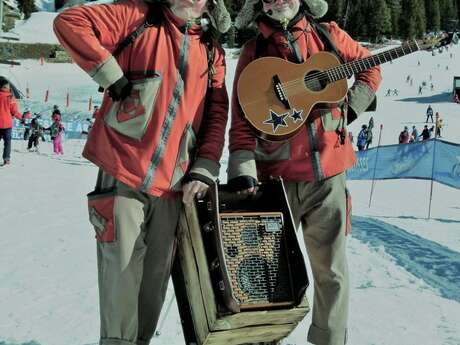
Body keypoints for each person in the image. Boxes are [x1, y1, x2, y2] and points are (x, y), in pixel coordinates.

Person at [54, 0, 230, 344]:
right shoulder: (138, 17)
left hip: (174, 186)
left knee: (153, 288)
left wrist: (206, 165)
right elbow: (69, 22)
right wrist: (110, 73)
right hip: (122, 174)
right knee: (120, 284)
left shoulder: (211, 51)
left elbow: (216, 113)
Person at [228, 1, 381, 344]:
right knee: (267, 273)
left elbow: (371, 70)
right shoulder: (254, 52)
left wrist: (351, 109)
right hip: (275, 180)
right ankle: (264, 339)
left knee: (332, 273)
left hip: (328, 175)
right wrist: (242, 169)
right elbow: (241, 121)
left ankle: (330, 339)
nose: (279, 0)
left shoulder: (329, 35)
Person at [0, 76, 21, 166]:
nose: (9, 88)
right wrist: (20, 116)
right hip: (7, 124)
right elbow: (14, 110)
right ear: (3, 87)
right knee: (7, 142)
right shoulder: (10, 97)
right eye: (7, 86)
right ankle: (6, 159)